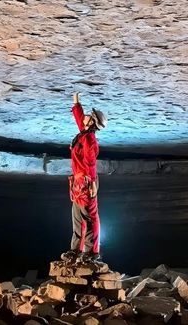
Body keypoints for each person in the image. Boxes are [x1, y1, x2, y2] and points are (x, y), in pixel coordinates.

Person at [61, 91, 108, 264]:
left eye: (89, 115)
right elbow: (79, 119)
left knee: (89, 218)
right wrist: (76, 101)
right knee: (77, 218)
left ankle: (90, 252)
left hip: (86, 183)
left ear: (92, 122)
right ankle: (75, 250)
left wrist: (91, 184)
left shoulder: (90, 140)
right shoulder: (84, 134)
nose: (86, 116)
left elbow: (90, 163)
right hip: (78, 183)